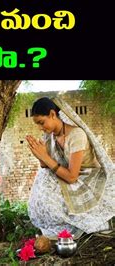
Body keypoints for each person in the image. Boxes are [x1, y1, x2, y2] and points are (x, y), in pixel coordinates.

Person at [26, 97, 115, 240]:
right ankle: (56, 228)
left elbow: (72, 177)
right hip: (66, 175)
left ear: (52, 114)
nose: (40, 128)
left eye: (41, 123)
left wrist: (45, 157)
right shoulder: (50, 137)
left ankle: (86, 225)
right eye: (37, 124)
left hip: (86, 179)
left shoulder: (76, 135)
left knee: (47, 185)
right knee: (42, 179)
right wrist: (38, 154)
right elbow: (45, 166)